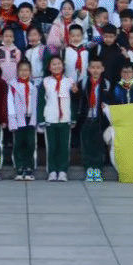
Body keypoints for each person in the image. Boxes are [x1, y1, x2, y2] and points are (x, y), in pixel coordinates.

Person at [75, 56, 111, 182]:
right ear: (88, 69)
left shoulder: (106, 83)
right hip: (86, 118)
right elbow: (78, 99)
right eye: (93, 67)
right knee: (87, 145)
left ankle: (98, 169)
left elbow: (110, 99)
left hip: (99, 119)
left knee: (98, 146)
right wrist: (75, 92)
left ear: (102, 69)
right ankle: (89, 169)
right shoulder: (84, 82)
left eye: (98, 68)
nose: (95, 70)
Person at [40, 54, 75, 182]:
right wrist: (41, 119)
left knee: (64, 147)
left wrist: (73, 117)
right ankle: (52, 171)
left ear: (63, 66)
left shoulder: (69, 81)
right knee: (52, 147)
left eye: (59, 64)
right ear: (49, 67)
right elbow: (41, 102)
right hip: (50, 119)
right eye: (53, 64)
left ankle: (63, 171)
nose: (56, 66)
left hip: (65, 119)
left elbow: (73, 102)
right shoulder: (46, 82)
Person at [6, 59, 40, 181]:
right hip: (18, 118)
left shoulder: (34, 85)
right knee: (18, 144)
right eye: (21, 70)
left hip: (31, 118)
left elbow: (37, 103)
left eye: (26, 70)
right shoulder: (13, 85)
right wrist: (12, 119)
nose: (24, 72)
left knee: (30, 144)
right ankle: (19, 168)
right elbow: (10, 103)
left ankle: (29, 167)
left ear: (30, 72)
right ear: (17, 71)